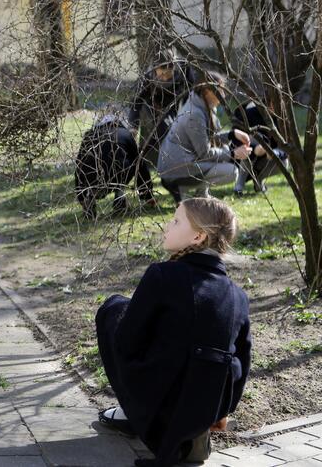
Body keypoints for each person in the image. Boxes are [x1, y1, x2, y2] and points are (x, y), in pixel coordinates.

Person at [95, 197, 252, 467]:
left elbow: (126, 340)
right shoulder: (238, 296)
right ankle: (198, 425)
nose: (168, 225)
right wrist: (221, 408)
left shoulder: (162, 275)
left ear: (198, 236)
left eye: (177, 220)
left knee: (113, 309)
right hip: (208, 401)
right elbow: (243, 363)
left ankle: (140, 415)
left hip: (163, 395)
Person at [157, 71, 252, 202]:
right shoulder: (195, 114)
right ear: (207, 91)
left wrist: (231, 134)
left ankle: (199, 195)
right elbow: (204, 153)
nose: (223, 96)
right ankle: (183, 191)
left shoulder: (201, 105)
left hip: (181, 165)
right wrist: (232, 153)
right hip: (175, 171)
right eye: (220, 91)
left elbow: (206, 139)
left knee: (222, 156)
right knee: (232, 171)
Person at [128, 49, 195, 206]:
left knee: (179, 147)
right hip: (155, 112)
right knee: (141, 152)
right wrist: (133, 127)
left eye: (168, 74)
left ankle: (190, 190)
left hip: (180, 109)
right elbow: (135, 105)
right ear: (154, 69)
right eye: (161, 74)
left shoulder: (184, 71)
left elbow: (191, 96)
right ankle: (146, 195)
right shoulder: (147, 79)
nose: (165, 77)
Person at [74, 113, 140, 219]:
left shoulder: (89, 135)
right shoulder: (125, 134)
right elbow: (139, 163)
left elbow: (79, 166)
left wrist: (80, 195)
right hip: (118, 175)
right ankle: (120, 196)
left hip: (93, 178)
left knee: (91, 166)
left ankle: (89, 198)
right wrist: (147, 194)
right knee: (128, 162)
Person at [231, 100, 289, 195]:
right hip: (244, 157)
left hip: (266, 158)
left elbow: (287, 146)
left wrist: (274, 152)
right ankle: (239, 186)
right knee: (251, 143)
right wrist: (254, 148)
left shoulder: (283, 119)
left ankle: (258, 179)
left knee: (284, 163)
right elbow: (235, 135)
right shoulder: (250, 113)